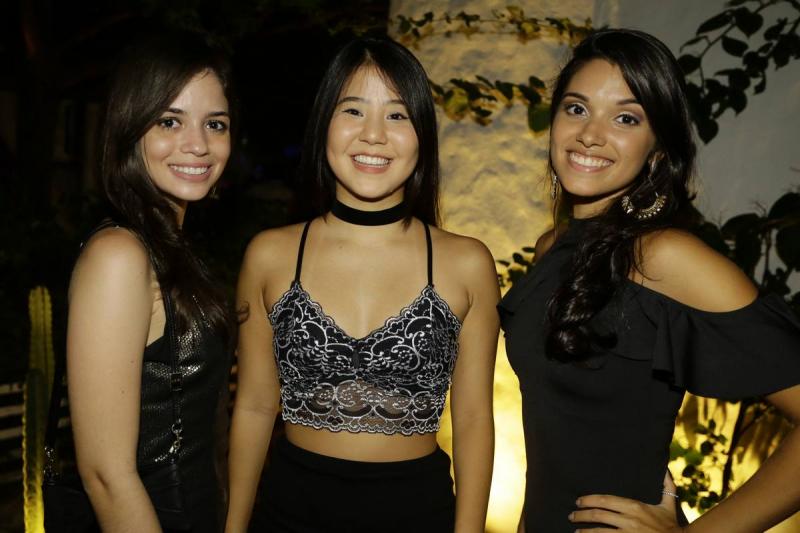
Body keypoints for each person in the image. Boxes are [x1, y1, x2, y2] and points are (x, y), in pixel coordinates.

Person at [498, 28, 800, 532]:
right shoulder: (552, 247)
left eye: (626, 118)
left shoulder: (664, 256)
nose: (590, 134)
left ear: (658, 146)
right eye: (576, 108)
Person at [226, 37, 499, 533]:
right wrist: (233, 526)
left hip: (418, 514)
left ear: (422, 135)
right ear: (323, 125)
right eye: (353, 110)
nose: (373, 135)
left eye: (397, 115)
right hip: (288, 512)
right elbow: (254, 406)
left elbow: (475, 418)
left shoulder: (467, 263)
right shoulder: (270, 255)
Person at [66, 31, 236, 532]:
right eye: (169, 121)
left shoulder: (171, 249)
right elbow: (105, 475)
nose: (198, 144)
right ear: (130, 128)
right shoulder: (119, 255)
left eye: (215, 124)